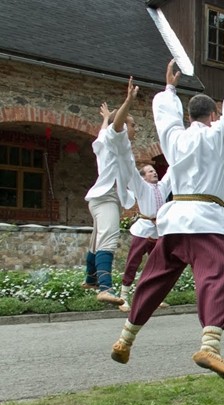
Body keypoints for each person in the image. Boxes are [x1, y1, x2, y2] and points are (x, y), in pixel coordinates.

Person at [109, 32, 224, 383]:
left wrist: (168, 91)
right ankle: (210, 346)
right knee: (215, 278)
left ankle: (125, 339)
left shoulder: (174, 139)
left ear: (189, 115)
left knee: (153, 279)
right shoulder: (218, 134)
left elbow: (165, 119)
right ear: (211, 115)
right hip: (206, 220)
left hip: (174, 220)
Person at [82, 78, 138, 306]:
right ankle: (105, 288)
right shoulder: (118, 139)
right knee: (109, 238)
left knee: (97, 239)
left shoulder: (104, 139)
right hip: (105, 197)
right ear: (124, 126)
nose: (135, 129)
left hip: (99, 198)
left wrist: (105, 118)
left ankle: (90, 279)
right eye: (133, 124)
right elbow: (116, 125)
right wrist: (127, 101)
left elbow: (107, 127)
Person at [118, 164, 172, 312]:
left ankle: (156, 297)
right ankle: (123, 298)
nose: (154, 173)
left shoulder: (163, 186)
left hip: (158, 229)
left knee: (159, 265)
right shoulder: (141, 187)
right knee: (133, 262)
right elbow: (133, 174)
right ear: (143, 177)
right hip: (143, 229)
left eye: (154, 171)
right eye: (150, 171)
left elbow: (172, 170)